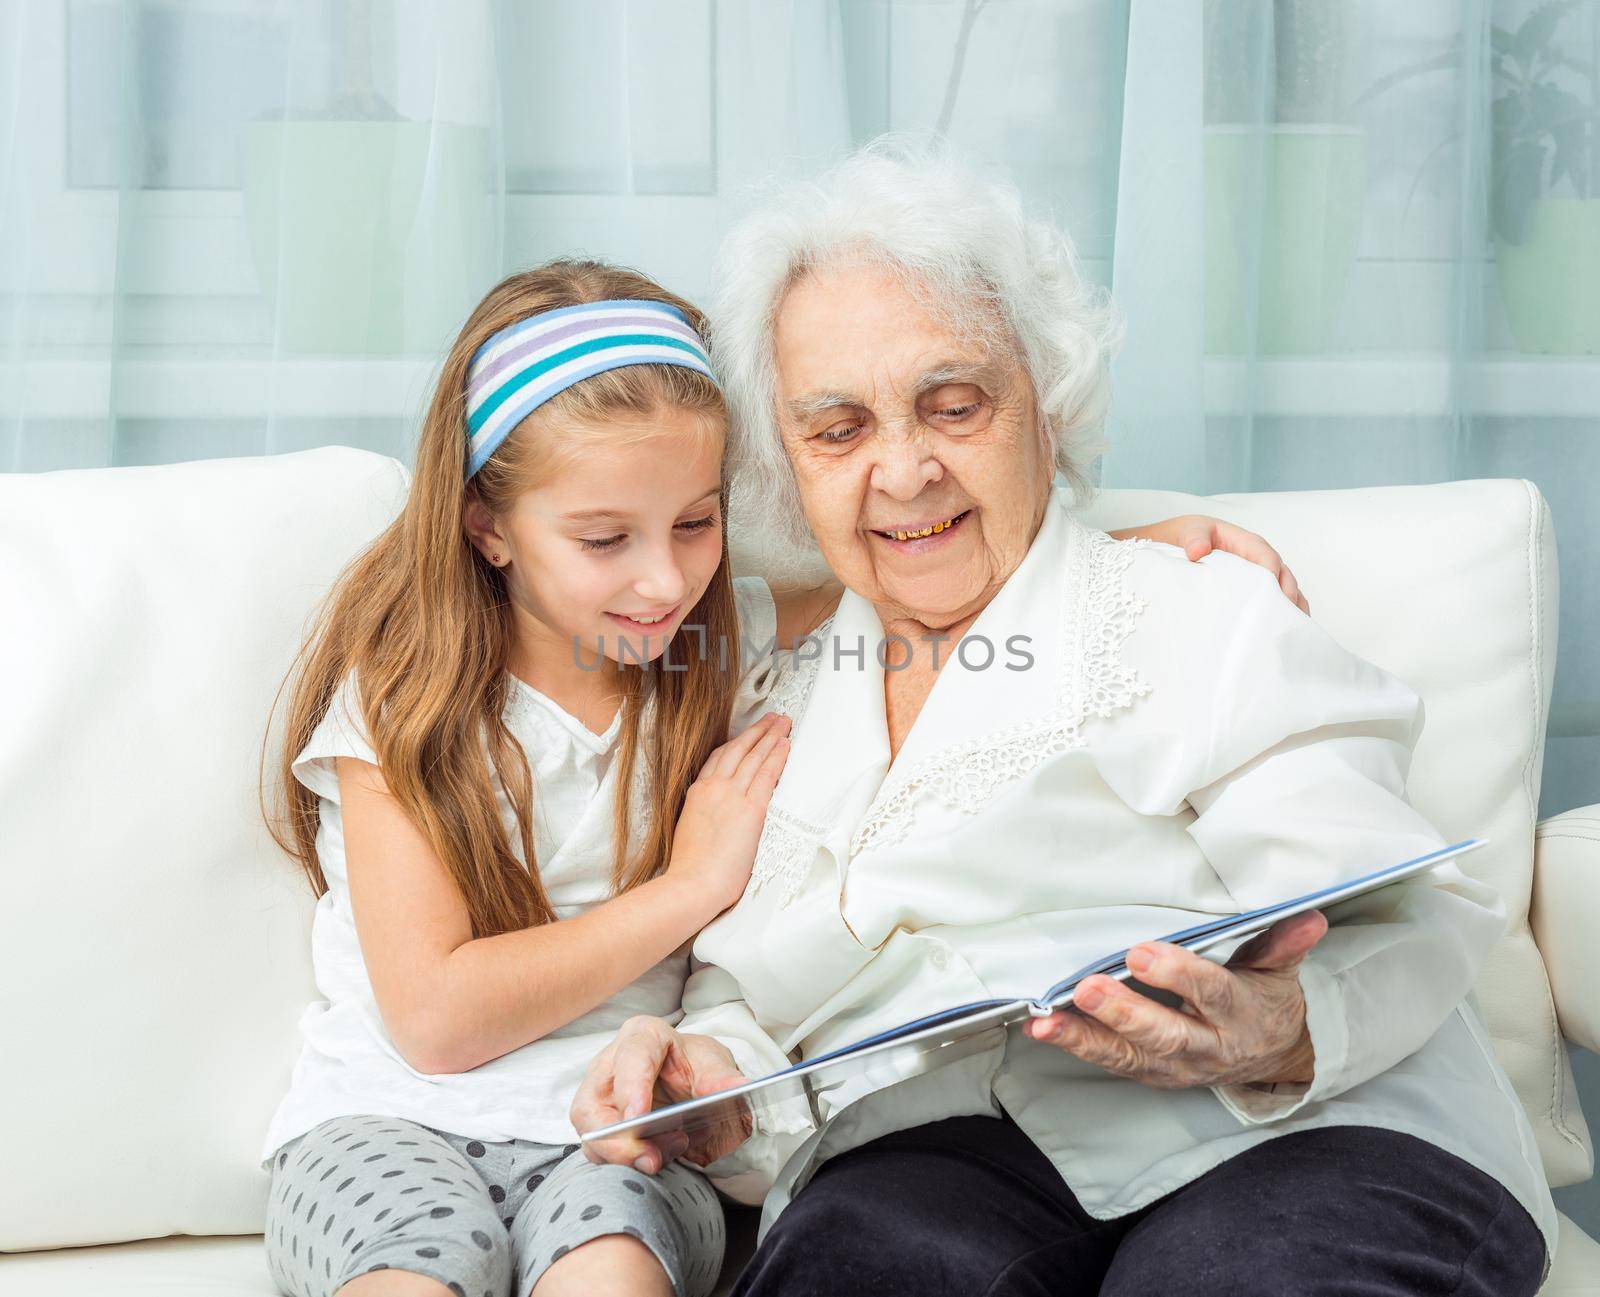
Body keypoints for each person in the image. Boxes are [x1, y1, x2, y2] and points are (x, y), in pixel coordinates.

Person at [572, 141, 1556, 1296]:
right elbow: (756, 1001)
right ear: (788, 462)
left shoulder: (1191, 608)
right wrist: (702, 1086)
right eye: (837, 430)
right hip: (938, 1154)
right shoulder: (763, 689)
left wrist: (1275, 1024)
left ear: (1046, 405)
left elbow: (1401, 909)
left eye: (952, 405)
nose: (902, 472)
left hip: (1300, 1129)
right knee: (849, 1264)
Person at [258, 257, 1278, 1297]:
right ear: (488, 527)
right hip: (390, 1117)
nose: (663, 579)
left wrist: (1116, 557)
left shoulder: (714, 634)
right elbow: (436, 1021)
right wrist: (690, 887)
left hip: (626, 1135)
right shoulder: (407, 707)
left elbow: (916, 581)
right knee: (414, 1277)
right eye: (605, 539)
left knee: (608, 1274)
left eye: (695, 523)